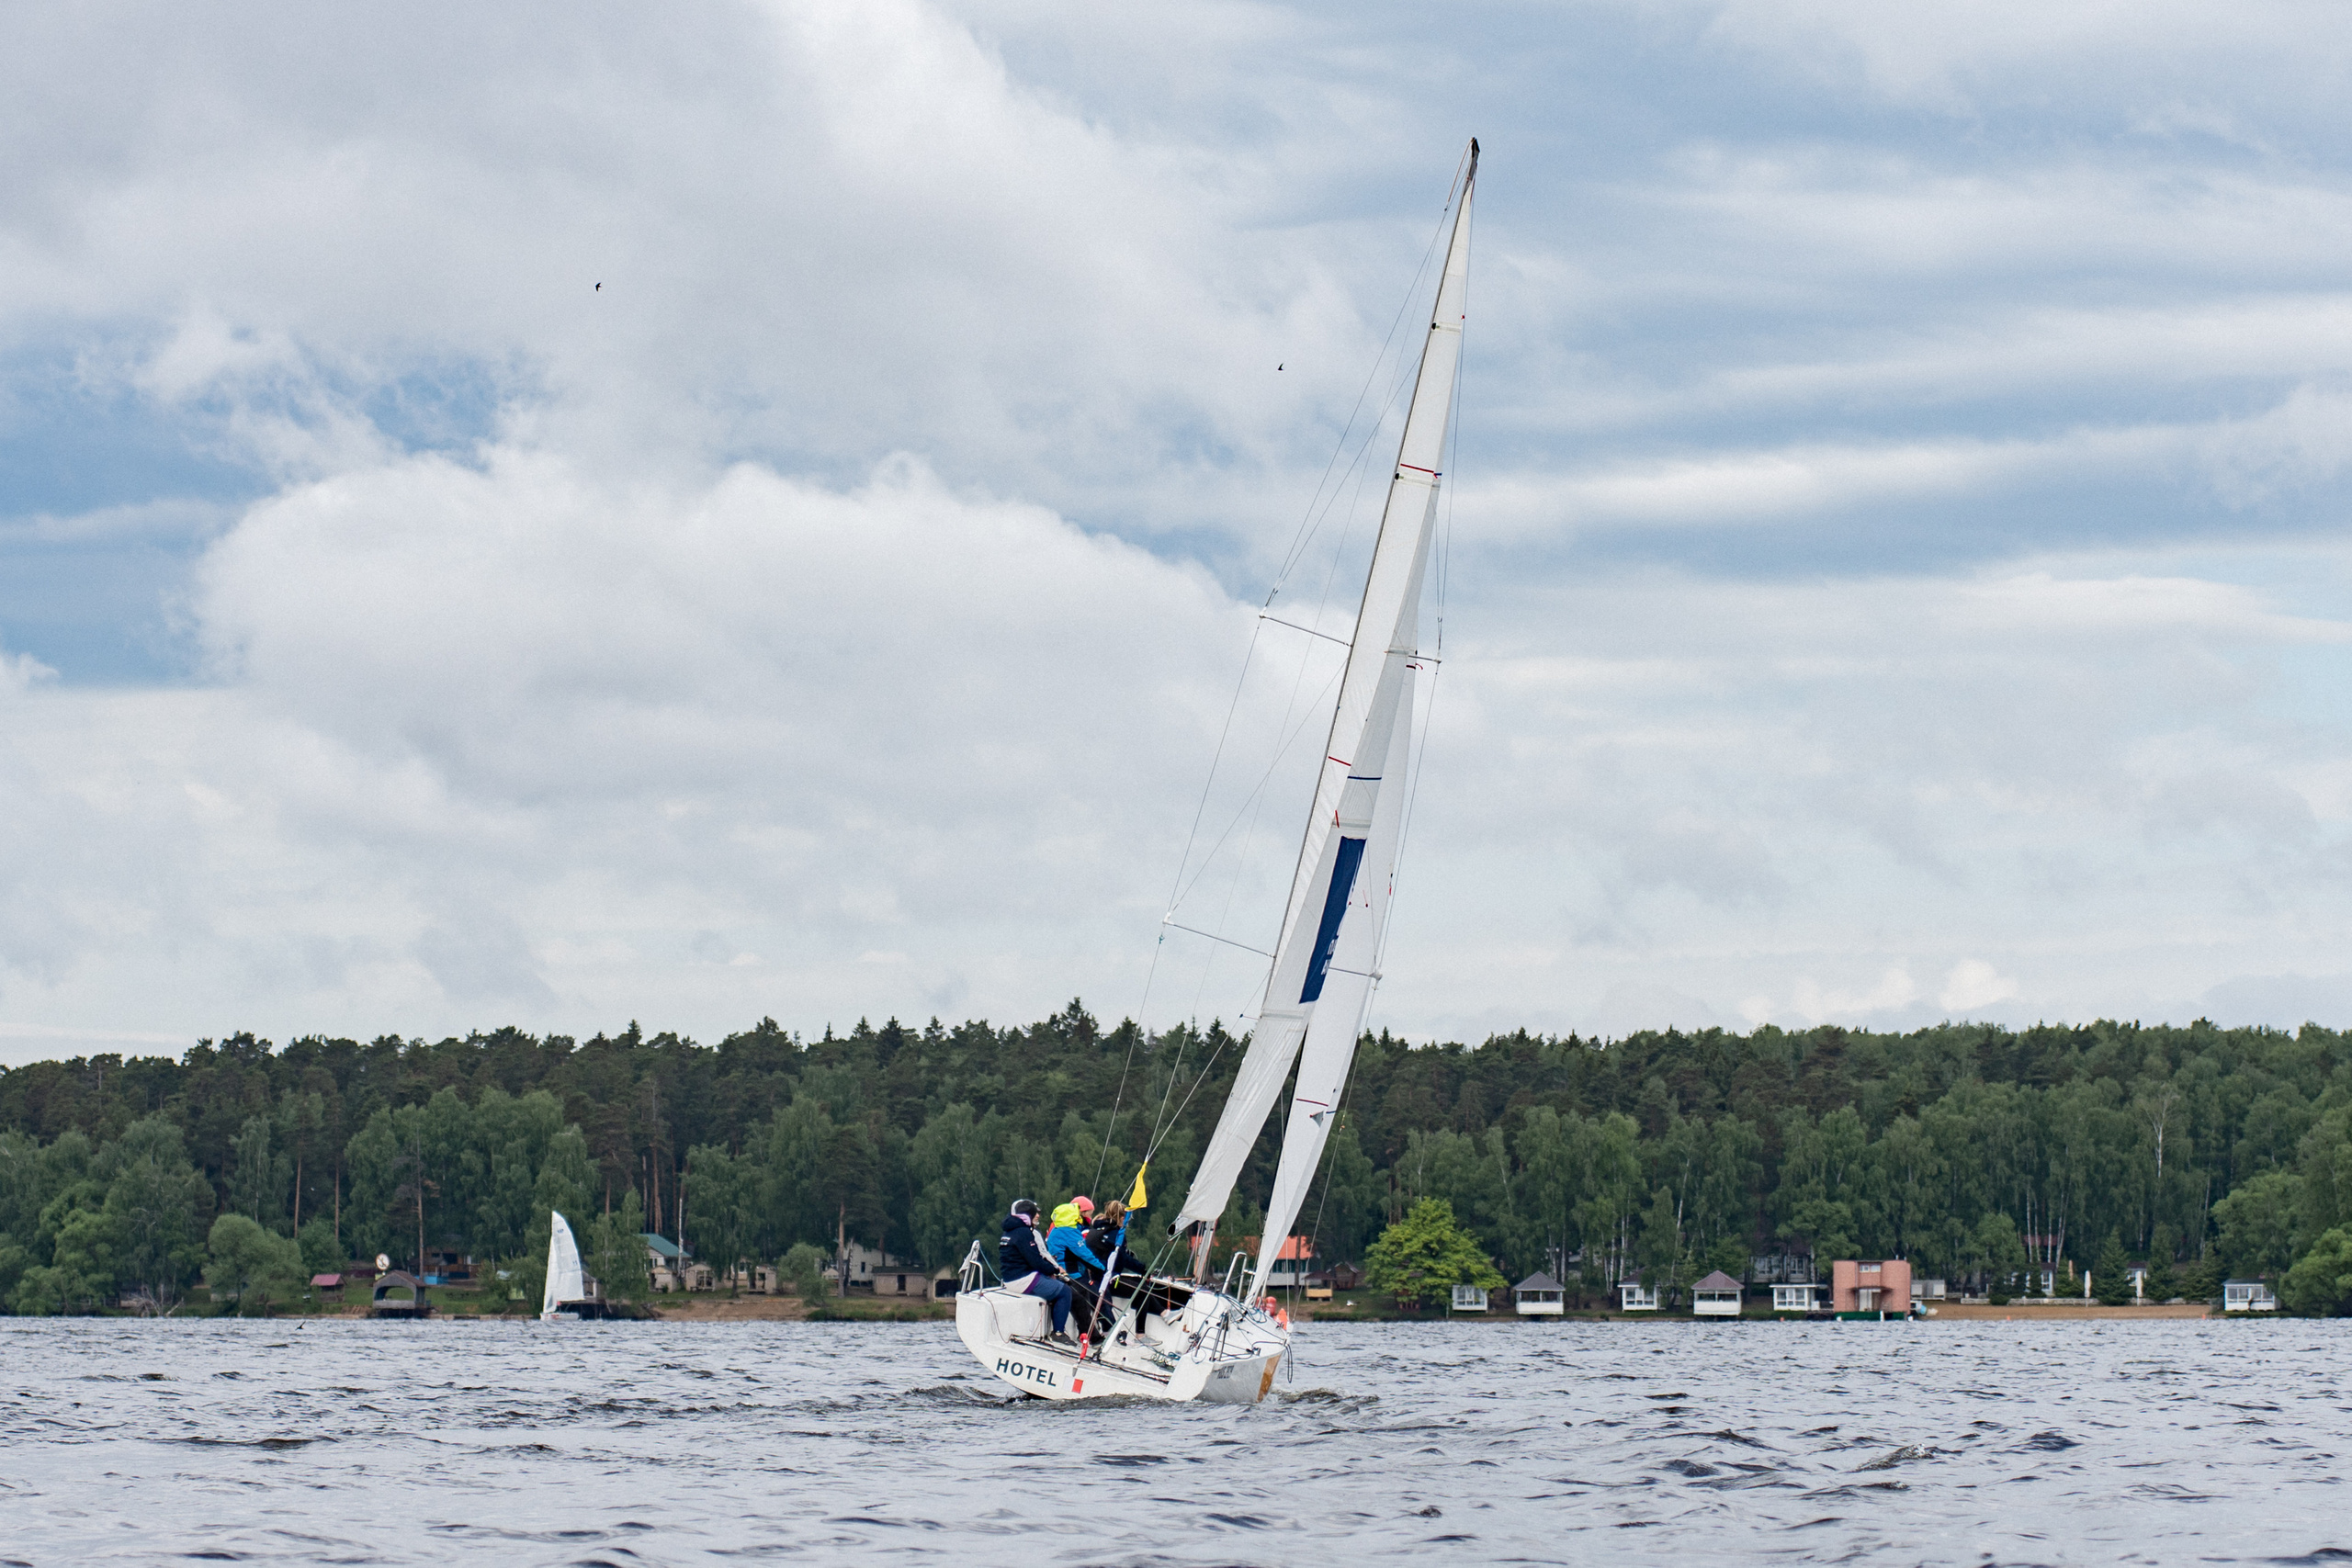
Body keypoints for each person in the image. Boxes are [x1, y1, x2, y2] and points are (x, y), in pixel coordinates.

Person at [999, 1199, 1074, 1343]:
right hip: (1023, 1279)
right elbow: (1035, 1261)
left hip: (1010, 1279)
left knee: (1054, 1285)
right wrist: (1054, 1270)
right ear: (1028, 1216)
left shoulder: (1008, 1231)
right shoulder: (1024, 1233)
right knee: (1065, 1291)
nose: (1037, 1216)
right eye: (1034, 1214)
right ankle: (1058, 1333)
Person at [1045, 1201, 1109, 1336]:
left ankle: (1087, 1334)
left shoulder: (1057, 1230)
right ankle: (1096, 1335)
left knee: (1086, 1294)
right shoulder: (1069, 1233)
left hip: (1062, 1273)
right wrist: (1104, 1270)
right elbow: (1085, 1256)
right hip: (1070, 1274)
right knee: (1092, 1295)